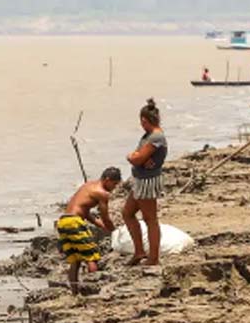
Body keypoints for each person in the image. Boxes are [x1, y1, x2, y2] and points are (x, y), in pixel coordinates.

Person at [57, 167, 122, 294]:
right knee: (91, 256)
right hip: (74, 223)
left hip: (63, 222)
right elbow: (106, 217)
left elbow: (84, 210)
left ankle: (75, 292)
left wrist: (99, 224)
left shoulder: (88, 185)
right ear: (107, 180)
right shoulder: (102, 193)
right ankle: (93, 288)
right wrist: (115, 231)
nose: (114, 188)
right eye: (114, 184)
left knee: (75, 259)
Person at [123, 98, 168, 266]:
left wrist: (134, 157)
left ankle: (153, 257)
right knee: (127, 213)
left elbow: (137, 158)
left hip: (147, 181)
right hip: (141, 180)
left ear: (144, 120)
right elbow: (139, 156)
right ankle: (140, 251)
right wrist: (137, 157)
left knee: (150, 220)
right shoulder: (149, 136)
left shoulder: (156, 137)